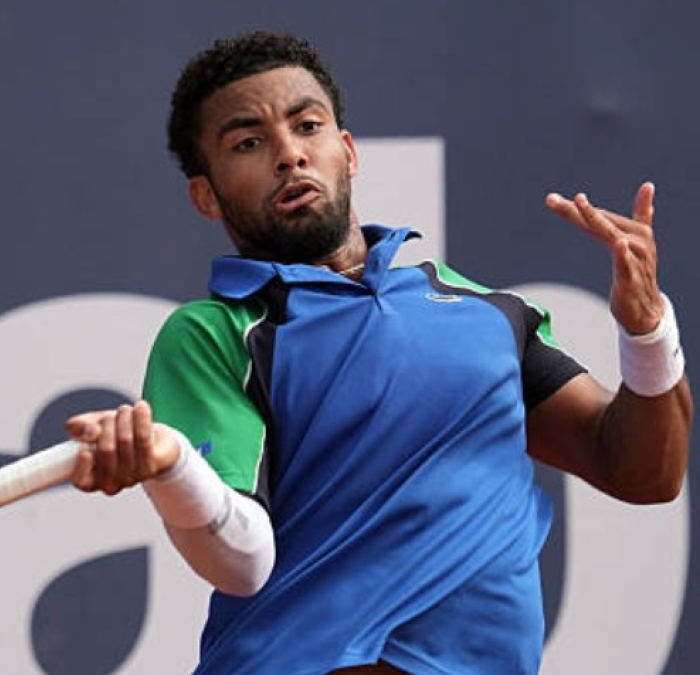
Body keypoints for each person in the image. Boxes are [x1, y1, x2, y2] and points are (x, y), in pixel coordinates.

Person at [64, 30, 693, 675]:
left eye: (307, 127)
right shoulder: (217, 333)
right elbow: (238, 559)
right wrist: (173, 475)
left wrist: (647, 332)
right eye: (248, 142)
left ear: (347, 151)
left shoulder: (488, 312)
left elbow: (644, 473)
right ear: (206, 194)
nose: (290, 156)